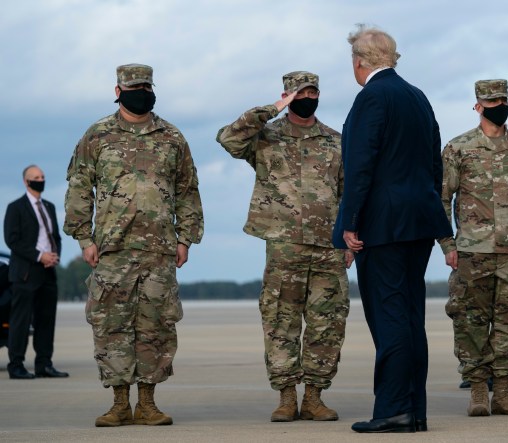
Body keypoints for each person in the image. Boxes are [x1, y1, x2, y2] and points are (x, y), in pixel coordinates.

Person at [64, 64, 204, 427]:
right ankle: (119, 403)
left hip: (159, 249)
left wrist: (185, 237)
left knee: (156, 326)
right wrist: (84, 238)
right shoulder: (97, 135)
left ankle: (148, 403)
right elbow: (79, 187)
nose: (141, 91)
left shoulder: (172, 137)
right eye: (134, 86)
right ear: (118, 89)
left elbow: (188, 191)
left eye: (146, 85)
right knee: (112, 326)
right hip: (112, 249)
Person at [333, 25, 452, 433]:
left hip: (383, 225)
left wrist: (349, 222)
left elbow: (359, 164)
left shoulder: (372, 98)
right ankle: (414, 410)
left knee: (389, 317)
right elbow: (435, 164)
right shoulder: (417, 97)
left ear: (359, 62)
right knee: (410, 315)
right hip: (419, 221)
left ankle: (393, 409)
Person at [216, 71, 352, 422]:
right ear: (287, 95)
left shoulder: (336, 141)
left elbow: (349, 192)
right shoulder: (265, 138)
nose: (308, 97)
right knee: (281, 321)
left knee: (328, 323)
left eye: (313, 91)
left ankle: (315, 397)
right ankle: (287, 396)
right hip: (284, 246)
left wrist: (350, 239)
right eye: (300, 92)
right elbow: (228, 139)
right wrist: (270, 109)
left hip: (328, 247)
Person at [440, 80, 508, 417]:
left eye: (503, 100)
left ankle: (503, 392)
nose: (498, 105)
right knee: (470, 321)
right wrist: (447, 244)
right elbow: (442, 198)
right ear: (478, 106)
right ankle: (476, 392)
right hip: (472, 251)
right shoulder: (459, 148)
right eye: (491, 101)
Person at [4, 165, 68, 379]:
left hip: (48, 272)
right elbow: (12, 240)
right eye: (36, 177)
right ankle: (16, 365)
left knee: (46, 320)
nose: (40, 180)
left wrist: (55, 255)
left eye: (42, 177)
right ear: (26, 181)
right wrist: (40, 256)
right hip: (25, 273)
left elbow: (55, 237)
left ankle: (44, 364)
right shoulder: (16, 207)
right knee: (20, 321)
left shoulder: (49, 206)